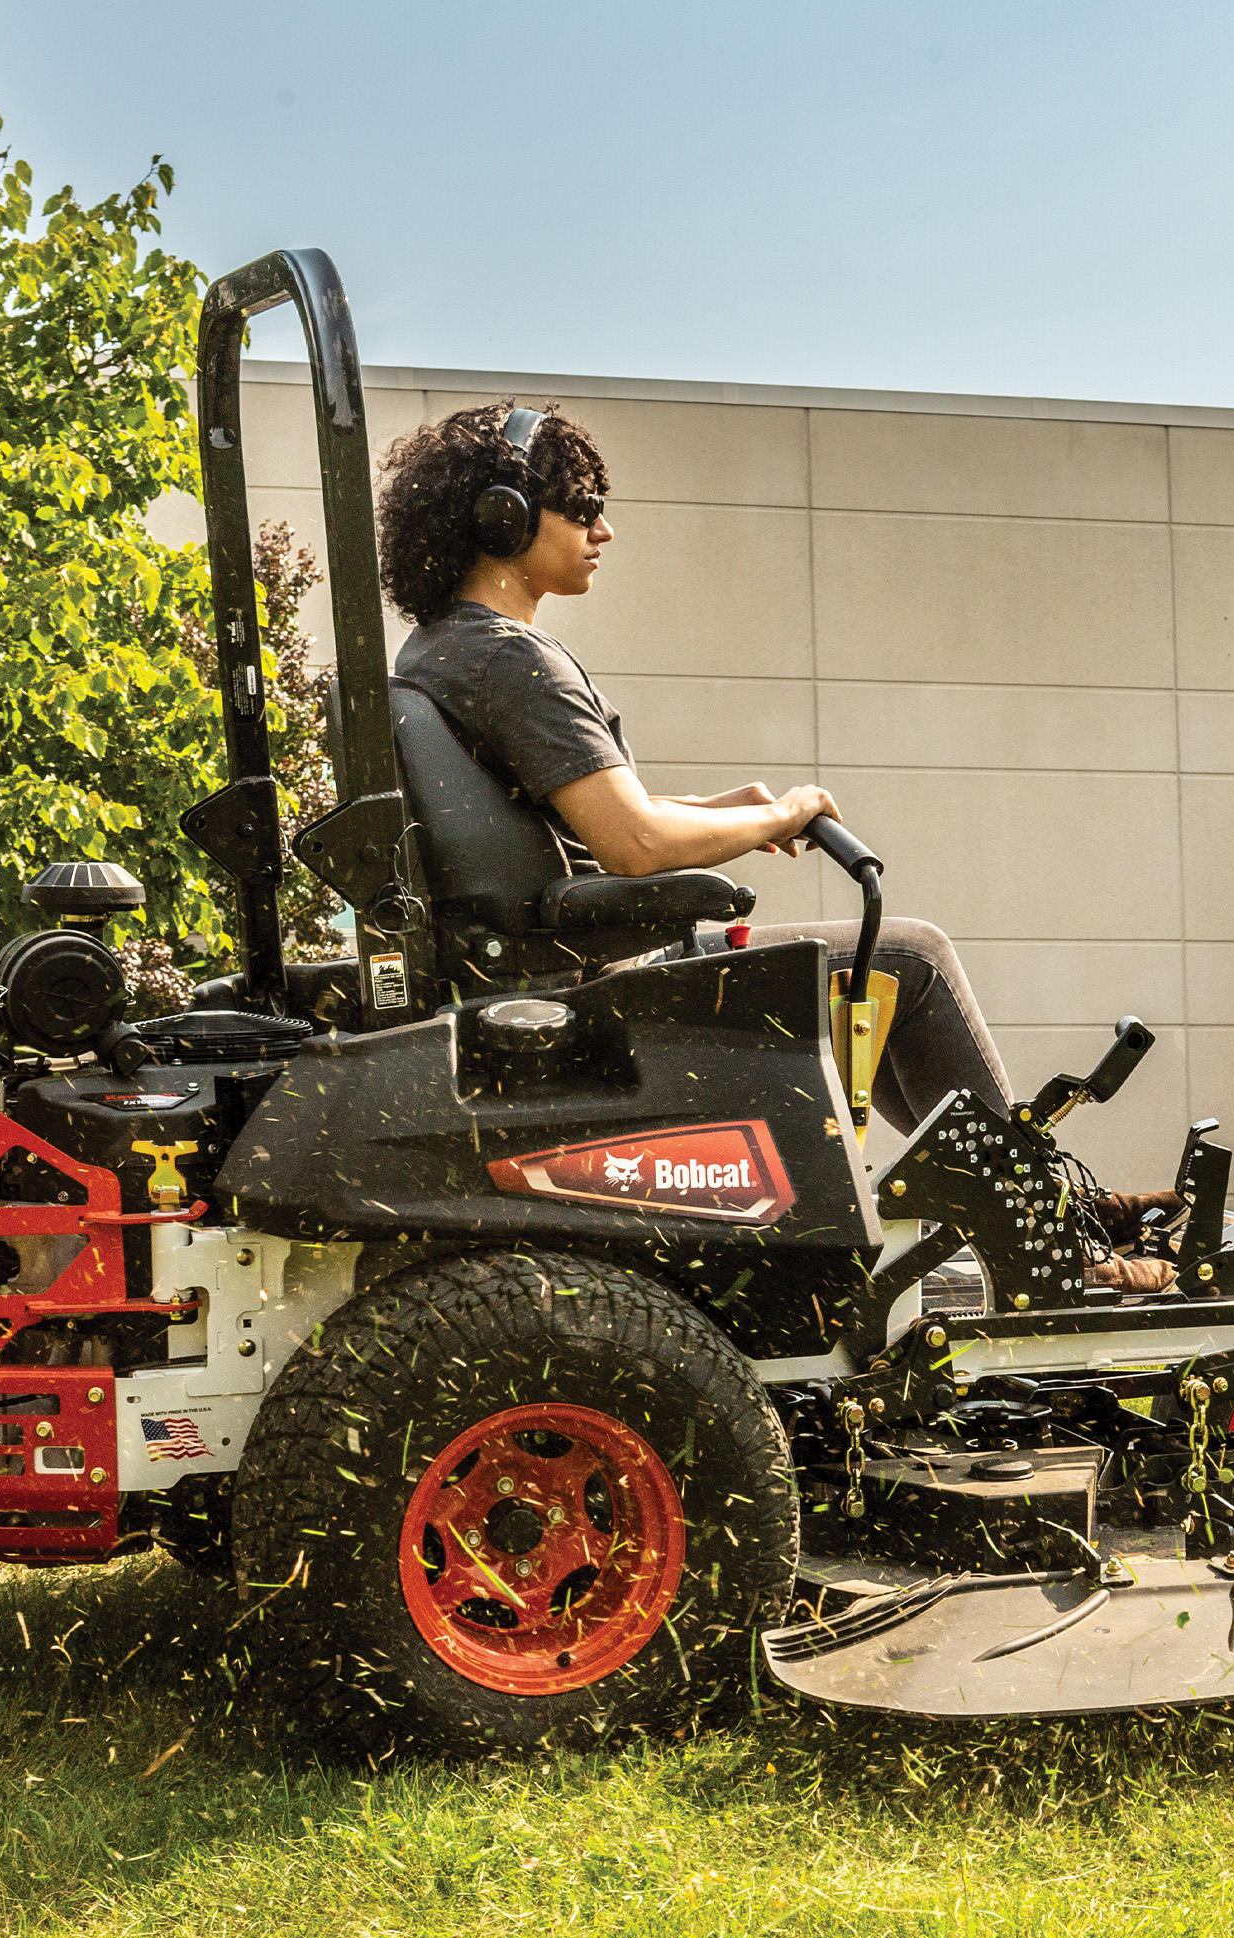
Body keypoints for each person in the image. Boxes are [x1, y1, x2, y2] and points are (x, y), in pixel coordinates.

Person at [376, 403, 1173, 1288]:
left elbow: (566, 822)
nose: (606, 527)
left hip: (556, 965)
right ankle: (1048, 1236)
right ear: (505, 519)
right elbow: (634, 843)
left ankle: (1025, 1204)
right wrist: (774, 816)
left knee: (897, 978)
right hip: (601, 986)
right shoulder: (515, 659)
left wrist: (720, 810)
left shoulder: (438, 652)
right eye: (584, 504)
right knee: (911, 960)